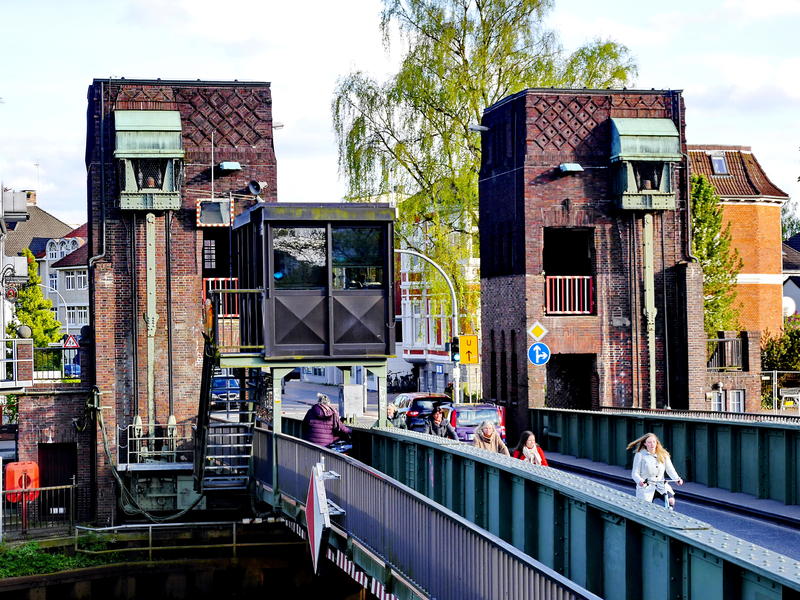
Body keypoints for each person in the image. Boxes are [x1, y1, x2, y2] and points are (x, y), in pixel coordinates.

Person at [627, 432, 683, 509]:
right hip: (646, 487)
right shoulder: (640, 455)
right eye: (649, 442)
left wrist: (677, 478)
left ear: (657, 443)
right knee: (647, 508)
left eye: (654, 442)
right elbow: (634, 473)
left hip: (661, 485)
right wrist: (640, 481)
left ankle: (667, 516)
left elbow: (670, 469)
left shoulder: (663, 454)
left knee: (671, 501)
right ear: (645, 444)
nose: (652, 444)